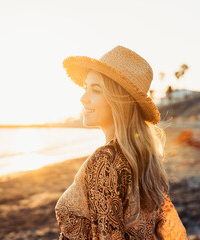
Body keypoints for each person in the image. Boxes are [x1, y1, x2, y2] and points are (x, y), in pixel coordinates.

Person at [55, 46, 187, 239]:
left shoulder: (105, 161)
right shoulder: (145, 160)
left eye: (96, 90)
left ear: (118, 100)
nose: (83, 98)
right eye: (86, 88)